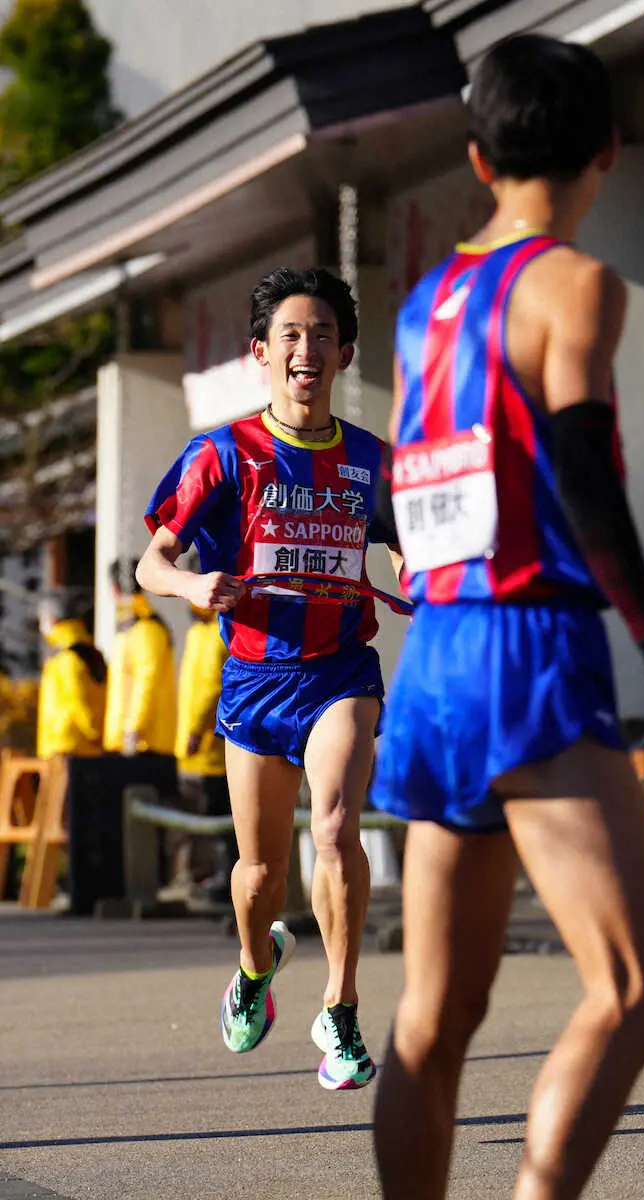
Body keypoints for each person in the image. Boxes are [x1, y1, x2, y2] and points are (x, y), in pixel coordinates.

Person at [370, 35, 644, 1199]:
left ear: (476, 156)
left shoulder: (425, 304)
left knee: (432, 1016)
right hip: (530, 650)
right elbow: (580, 470)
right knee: (632, 987)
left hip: (433, 657)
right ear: (606, 152)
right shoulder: (575, 285)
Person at [137, 266, 393, 1091]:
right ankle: (256, 965)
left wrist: (418, 571)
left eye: (322, 335)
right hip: (253, 683)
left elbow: (404, 542)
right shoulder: (222, 453)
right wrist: (191, 585)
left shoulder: (368, 460)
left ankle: (342, 1012)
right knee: (259, 878)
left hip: (340, 672)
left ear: (344, 353)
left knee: (336, 828)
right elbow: (153, 562)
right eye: (289, 335)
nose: (305, 349)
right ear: (261, 352)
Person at [168, 601, 232, 903]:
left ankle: (225, 876)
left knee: (222, 817)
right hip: (199, 744)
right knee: (208, 814)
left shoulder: (217, 630)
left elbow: (210, 688)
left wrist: (195, 729)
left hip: (211, 744)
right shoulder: (200, 631)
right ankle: (213, 876)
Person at [103, 559, 176, 758]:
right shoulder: (133, 627)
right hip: (133, 740)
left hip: (143, 742)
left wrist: (134, 728)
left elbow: (147, 682)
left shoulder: (144, 629)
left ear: (115, 588)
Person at [36, 591, 106, 759]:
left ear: (53, 620)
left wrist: (94, 732)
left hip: (65, 745)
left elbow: (79, 701)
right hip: (87, 747)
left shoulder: (65, 659)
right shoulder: (90, 653)